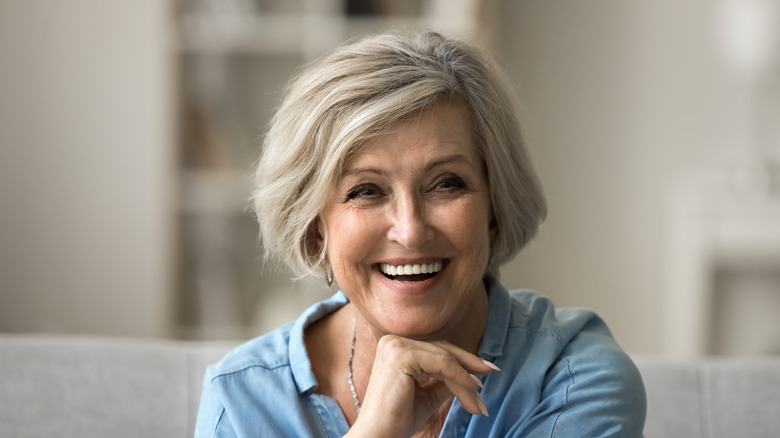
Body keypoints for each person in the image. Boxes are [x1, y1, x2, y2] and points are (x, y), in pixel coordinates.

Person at [194, 29, 646, 437]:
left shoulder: (572, 378)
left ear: (494, 209)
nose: (410, 231)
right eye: (366, 190)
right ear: (315, 229)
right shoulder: (241, 403)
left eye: (447, 184)